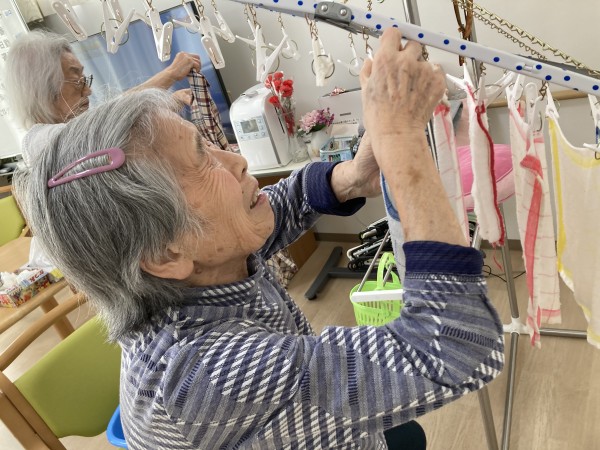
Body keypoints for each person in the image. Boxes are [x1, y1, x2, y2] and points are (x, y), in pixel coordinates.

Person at [12, 28, 504, 449]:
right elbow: (450, 347)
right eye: (202, 159)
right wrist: (400, 140)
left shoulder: (196, 269)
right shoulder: (204, 372)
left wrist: (352, 177)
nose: (237, 160)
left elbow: (277, 206)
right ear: (164, 253)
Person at [4, 29, 199, 131]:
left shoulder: (68, 128)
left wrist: (172, 96)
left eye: (85, 80)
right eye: (77, 82)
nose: (88, 91)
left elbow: (111, 113)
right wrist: (171, 74)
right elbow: (112, 114)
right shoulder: (47, 144)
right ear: (44, 93)